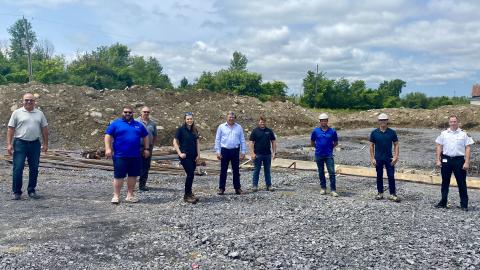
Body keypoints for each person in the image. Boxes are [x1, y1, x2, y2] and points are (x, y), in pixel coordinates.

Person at [7, 93, 49, 200]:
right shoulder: (17, 113)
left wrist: (45, 144)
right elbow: (11, 129)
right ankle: (16, 192)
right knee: (18, 168)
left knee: (34, 168)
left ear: (34, 101)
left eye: (31, 100)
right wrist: (9, 144)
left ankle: (31, 190)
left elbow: (44, 129)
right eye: (26, 100)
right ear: (23, 101)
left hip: (35, 144)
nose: (29, 102)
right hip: (20, 143)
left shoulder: (39, 114)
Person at [105, 106, 149, 204]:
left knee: (133, 176)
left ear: (133, 113)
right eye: (125, 112)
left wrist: (146, 149)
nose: (127, 114)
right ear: (122, 112)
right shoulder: (115, 124)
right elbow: (108, 135)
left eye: (130, 112)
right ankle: (116, 196)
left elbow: (146, 136)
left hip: (135, 156)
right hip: (120, 156)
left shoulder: (138, 125)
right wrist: (108, 148)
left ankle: (130, 195)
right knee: (118, 176)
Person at [434, 115, 474, 211]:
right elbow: (439, 146)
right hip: (446, 160)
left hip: (459, 160)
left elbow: (468, 148)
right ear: (449, 122)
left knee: (461, 183)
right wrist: (438, 160)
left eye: (455, 121)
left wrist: (467, 162)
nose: (453, 123)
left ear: (458, 122)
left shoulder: (464, 134)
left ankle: (464, 204)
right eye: (451, 121)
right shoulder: (443, 133)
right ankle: (443, 202)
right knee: (445, 182)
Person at [369, 113, 400, 202]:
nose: (383, 122)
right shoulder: (374, 133)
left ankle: (392, 194)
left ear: (387, 121)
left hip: (389, 158)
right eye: (381, 120)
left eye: (384, 120)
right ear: (378, 121)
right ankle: (380, 193)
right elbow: (371, 146)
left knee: (391, 176)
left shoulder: (392, 132)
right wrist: (372, 158)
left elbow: (396, 144)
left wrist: (396, 156)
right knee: (379, 176)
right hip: (378, 158)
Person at [214, 111, 247, 195]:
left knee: (236, 170)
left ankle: (237, 188)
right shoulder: (221, 127)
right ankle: (221, 188)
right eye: (230, 117)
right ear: (227, 118)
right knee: (223, 170)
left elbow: (242, 140)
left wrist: (243, 151)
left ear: (235, 118)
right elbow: (217, 140)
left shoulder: (239, 127)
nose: (231, 118)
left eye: (233, 117)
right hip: (224, 150)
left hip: (235, 151)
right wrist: (218, 152)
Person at [173, 112, 201, 204]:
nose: (189, 120)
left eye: (191, 119)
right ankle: (186, 195)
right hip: (185, 156)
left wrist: (198, 155)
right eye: (188, 119)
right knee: (190, 174)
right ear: (185, 120)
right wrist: (180, 153)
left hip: (193, 156)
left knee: (191, 174)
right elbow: (175, 142)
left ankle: (190, 193)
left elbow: (197, 143)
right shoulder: (180, 130)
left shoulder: (194, 130)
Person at [310, 113, 339, 197]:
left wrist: (330, 148)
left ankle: (333, 190)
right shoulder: (316, 131)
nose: (323, 122)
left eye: (325, 121)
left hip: (329, 155)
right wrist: (318, 147)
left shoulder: (332, 131)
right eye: (322, 121)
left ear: (327, 121)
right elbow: (312, 142)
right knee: (321, 172)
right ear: (320, 122)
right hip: (319, 155)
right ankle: (323, 188)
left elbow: (336, 142)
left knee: (332, 172)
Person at [249, 116, 277, 192]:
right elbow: (251, 143)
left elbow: (273, 142)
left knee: (267, 170)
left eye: (263, 122)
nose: (262, 123)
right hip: (258, 155)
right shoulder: (255, 131)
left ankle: (269, 186)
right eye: (261, 122)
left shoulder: (269, 131)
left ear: (265, 122)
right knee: (256, 170)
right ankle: (255, 186)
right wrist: (252, 153)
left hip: (267, 154)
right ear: (259, 122)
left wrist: (274, 152)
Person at [136, 106, 158, 191]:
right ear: (141, 112)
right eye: (144, 112)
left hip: (148, 147)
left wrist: (152, 145)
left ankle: (142, 185)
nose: (146, 113)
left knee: (145, 166)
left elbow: (155, 135)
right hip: (136, 147)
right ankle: (131, 184)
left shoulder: (152, 124)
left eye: (148, 112)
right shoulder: (135, 122)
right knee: (134, 165)